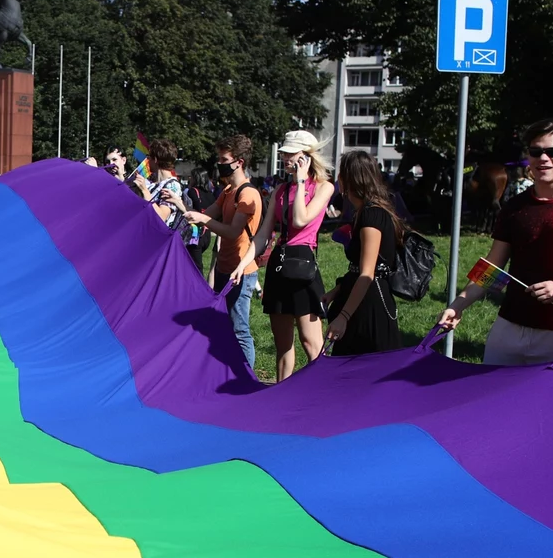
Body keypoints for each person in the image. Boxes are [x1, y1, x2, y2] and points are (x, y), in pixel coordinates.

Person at [440, 117, 553, 364]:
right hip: (508, 328)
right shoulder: (514, 207)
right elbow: (492, 267)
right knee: (490, 397)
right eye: (536, 151)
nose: (543, 158)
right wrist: (458, 304)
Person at [234, 131, 335, 381]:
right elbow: (263, 234)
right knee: (283, 345)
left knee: (311, 343)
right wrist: (243, 264)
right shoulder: (281, 189)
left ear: (306, 157)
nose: (284, 157)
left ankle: (320, 395)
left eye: (290, 153)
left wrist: (301, 183)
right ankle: (281, 395)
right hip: (280, 264)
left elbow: (301, 219)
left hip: (303, 265)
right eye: (284, 152)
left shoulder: (323, 187)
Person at [168, 135, 263, 369]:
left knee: (239, 329)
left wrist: (203, 218)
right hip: (224, 269)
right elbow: (204, 214)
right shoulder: (229, 190)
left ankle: (246, 381)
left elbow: (231, 231)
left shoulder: (247, 194)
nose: (219, 163)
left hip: (241, 272)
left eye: (224, 159)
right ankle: (229, 374)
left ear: (239, 162)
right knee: (225, 328)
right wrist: (182, 207)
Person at [324, 151, 404, 356]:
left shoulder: (372, 215)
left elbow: (368, 273)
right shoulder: (364, 212)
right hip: (359, 298)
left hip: (369, 305)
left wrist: (343, 316)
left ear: (348, 179)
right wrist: (337, 291)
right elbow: (360, 267)